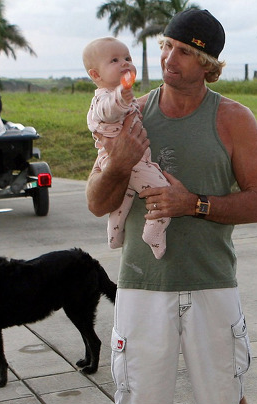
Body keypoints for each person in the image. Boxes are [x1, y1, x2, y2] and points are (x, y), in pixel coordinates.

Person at [85, 8, 257, 404]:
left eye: (186, 52)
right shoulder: (128, 115)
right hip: (142, 284)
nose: (169, 59)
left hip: (212, 279)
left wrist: (192, 204)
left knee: (226, 393)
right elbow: (95, 202)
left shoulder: (234, 120)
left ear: (209, 64)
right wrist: (119, 162)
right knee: (135, 398)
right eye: (168, 47)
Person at [82, 37, 171, 259]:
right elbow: (108, 112)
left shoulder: (117, 95)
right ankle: (154, 231)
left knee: (124, 200)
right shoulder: (105, 98)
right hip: (133, 161)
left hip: (123, 159)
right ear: (96, 75)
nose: (124, 63)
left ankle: (114, 236)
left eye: (127, 58)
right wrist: (122, 96)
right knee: (163, 195)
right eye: (114, 60)